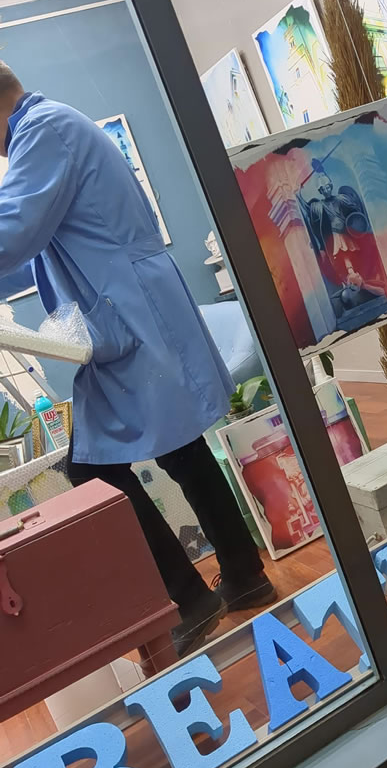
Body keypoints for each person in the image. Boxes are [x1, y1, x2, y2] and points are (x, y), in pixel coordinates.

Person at [0, 63, 276, 657]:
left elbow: (13, 233)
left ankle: (189, 599)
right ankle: (243, 574)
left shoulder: (42, 132)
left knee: (91, 467)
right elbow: (30, 251)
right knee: (180, 448)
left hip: (127, 310)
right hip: (129, 305)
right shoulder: (53, 127)